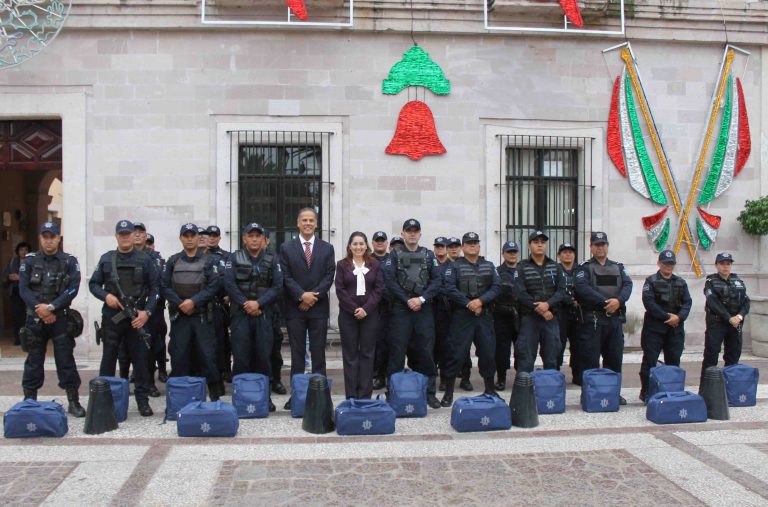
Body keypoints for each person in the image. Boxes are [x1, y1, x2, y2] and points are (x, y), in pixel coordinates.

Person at [89, 220, 160, 416]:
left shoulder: (145, 260)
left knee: (141, 360)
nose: (126, 237)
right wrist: (107, 296)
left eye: (128, 234)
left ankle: (142, 400)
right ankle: (103, 399)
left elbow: (156, 288)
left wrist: (147, 312)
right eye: (122, 234)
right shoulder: (106, 259)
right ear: (116, 236)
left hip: (136, 315)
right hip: (113, 317)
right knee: (109, 357)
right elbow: (94, 284)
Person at [18, 223, 84, 416]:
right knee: (33, 360)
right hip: (35, 319)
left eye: (52, 236)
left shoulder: (70, 261)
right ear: (40, 238)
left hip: (60, 318)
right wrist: (41, 310)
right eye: (45, 236)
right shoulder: (29, 261)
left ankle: (73, 401)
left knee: (65, 360)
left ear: (58, 238)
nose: (49, 240)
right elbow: (23, 289)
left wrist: (51, 307)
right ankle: (29, 399)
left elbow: (73, 288)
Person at [279, 208, 336, 410]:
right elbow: (285, 276)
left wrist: (312, 297)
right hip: (295, 308)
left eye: (311, 220)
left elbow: (329, 276)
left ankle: (321, 394)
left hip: (318, 308)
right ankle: (296, 395)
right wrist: (301, 295)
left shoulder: (327, 248)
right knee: (297, 354)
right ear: (298, 223)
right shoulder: (287, 247)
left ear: (317, 223)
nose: (308, 223)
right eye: (304, 220)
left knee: (319, 353)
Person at [384, 218, 442, 409]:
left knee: (425, 352)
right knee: (397, 353)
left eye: (415, 231)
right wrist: (406, 299)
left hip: (423, 310)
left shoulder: (428, 255)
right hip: (401, 310)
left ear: (420, 234)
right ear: (402, 234)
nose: (412, 233)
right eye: (409, 230)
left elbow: (436, 281)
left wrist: (421, 299)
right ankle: (393, 392)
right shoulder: (394, 255)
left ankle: (429, 393)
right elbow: (390, 281)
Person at [162, 223, 225, 400]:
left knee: (208, 355)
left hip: (202, 316)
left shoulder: (210, 261)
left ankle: (214, 395)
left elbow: (215, 285)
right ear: (181, 238)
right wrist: (181, 303)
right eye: (186, 235)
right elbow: (164, 286)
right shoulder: (172, 261)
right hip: (180, 316)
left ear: (199, 238)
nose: (189, 239)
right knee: (179, 355)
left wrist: (194, 301)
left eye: (192, 235)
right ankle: (180, 395)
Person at [224, 222, 283, 410]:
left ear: (264, 238)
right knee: (241, 358)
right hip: (241, 315)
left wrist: (258, 303)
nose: (255, 239)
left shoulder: (273, 259)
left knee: (263, 357)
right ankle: (241, 398)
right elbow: (230, 285)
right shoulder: (233, 258)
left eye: (258, 235)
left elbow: (277, 286)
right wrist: (246, 304)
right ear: (244, 238)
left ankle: (264, 398)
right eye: (251, 235)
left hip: (264, 315)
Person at [439, 232, 501, 407]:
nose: (472, 246)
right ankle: (449, 392)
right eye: (469, 243)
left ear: (479, 246)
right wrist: (468, 304)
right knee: (456, 354)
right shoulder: (455, 266)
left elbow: (497, 287)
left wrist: (480, 301)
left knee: (488, 353)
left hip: (484, 315)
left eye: (475, 243)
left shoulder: (489, 265)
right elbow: (449, 288)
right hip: (462, 317)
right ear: (463, 247)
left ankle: (489, 388)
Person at [574, 231, 633, 405]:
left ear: (607, 246)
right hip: (594, 320)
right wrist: (606, 302)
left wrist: (619, 300)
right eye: (596, 245)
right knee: (590, 360)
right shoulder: (584, 268)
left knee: (614, 359)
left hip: (614, 320)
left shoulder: (618, 267)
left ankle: (613, 393)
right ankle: (589, 394)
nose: (600, 248)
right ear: (591, 247)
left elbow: (628, 285)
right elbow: (582, 288)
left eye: (603, 244)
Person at [335, 232, 384, 399]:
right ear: (349, 246)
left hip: (369, 316)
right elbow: (340, 290)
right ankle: (351, 395)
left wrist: (366, 309)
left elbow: (378, 290)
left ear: (366, 246)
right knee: (350, 355)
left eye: (361, 244)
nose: (358, 247)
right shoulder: (342, 265)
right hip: (348, 316)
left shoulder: (375, 265)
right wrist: (355, 309)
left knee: (367, 354)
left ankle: (364, 395)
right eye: (355, 244)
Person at [639, 249, 692, 403]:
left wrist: (679, 317)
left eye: (671, 263)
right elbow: (649, 303)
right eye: (665, 263)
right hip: (655, 328)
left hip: (675, 329)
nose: (668, 266)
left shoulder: (681, 282)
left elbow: (687, 303)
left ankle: (672, 391)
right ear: (659, 263)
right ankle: (647, 392)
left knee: (674, 362)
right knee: (649, 361)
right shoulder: (650, 281)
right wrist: (667, 316)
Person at [512, 231, 566, 373]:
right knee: (526, 358)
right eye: (536, 242)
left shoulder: (556, 267)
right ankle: (525, 392)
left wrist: (547, 305)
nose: (540, 245)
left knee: (552, 356)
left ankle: (550, 391)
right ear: (529, 245)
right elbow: (520, 293)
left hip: (550, 318)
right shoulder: (521, 267)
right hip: (530, 318)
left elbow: (561, 291)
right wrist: (540, 308)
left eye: (542, 242)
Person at [701, 252, 750, 376]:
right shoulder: (711, 281)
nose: (725, 266)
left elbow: (746, 302)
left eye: (728, 264)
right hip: (717, 323)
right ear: (716, 265)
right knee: (711, 356)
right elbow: (713, 303)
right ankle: (707, 390)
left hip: (735, 324)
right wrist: (729, 318)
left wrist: (739, 316)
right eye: (722, 264)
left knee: (733, 356)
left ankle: (729, 389)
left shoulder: (737, 281)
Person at [206, 225, 233, 383]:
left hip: (222, 303)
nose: (212, 238)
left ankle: (225, 370)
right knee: (207, 340)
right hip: (204, 304)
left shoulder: (227, 256)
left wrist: (229, 295)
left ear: (219, 238)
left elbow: (231, 277)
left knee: (223, 339)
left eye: (215, 235)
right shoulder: (201, 254)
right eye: (209, 235)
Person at [493, 240, 519, 390]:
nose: (512, 254)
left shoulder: (523, 270)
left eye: (514, 252)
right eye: (509, 252)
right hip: (502, 315)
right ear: (503, 254)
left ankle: (520, 377)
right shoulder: (497, 271)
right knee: (501, 349)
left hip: (520, 314)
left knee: (521, 348)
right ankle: (501, 378)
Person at [557, 243, 583, 384]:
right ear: (559, 255)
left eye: (570, 252)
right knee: (557, 345)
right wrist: (568, 299)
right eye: (564, 252)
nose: (568, 254)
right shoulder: (555, 270)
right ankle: (556, 375)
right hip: (560, 312)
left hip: (578, 313)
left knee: (578, 346)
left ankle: (577, 375)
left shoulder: (581, 270)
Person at [371, 230, 391, 390]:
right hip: (372, 307)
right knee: (374, 343)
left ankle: (388, 375)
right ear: (372, 243)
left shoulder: (393, 259)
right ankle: (376, 375)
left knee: (389, 344)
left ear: (387, 243)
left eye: (382, 240)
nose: (380, 242)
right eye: (377, 240)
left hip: (390, 307)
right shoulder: (367, 260)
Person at [3, 241, 31, 345]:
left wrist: (21, 278)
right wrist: (10, 277)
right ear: (18, 251)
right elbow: (5, 275)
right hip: (15, 292)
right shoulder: (12, 261)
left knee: (27, 316)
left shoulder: (31, 261)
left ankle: (28, 338)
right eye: (21, 250)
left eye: (26, 250)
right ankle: (18, 338)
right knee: (16, 316)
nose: (23, 252)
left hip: (27, 292)